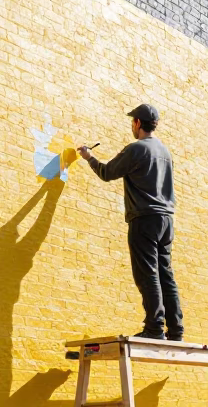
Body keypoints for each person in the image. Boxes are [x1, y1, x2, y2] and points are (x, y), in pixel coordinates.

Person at [78, 105, 184, 342]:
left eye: (132, 123)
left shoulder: (137, 149)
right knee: (165, 274)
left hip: (144, 219)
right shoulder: (165, 152)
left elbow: (107, 173)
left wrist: (89, 157)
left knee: (147, 273)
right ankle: (175, 331)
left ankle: (155, 328)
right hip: (166, 221)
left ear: (137, 123)